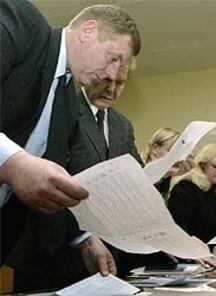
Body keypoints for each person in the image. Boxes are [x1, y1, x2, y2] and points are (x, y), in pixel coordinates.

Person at [0, 0, 140, 264]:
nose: (111, 74)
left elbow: (57, 183)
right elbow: (19, 166)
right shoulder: (20, 21)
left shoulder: (67, 103)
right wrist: (12, 163)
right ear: (88, 31)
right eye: (113, 58)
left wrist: (85, 239)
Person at [7, 62, 145, 292]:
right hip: (51, 254)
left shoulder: (122, 125)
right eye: (105, 80)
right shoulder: (61, 110)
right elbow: (49, 183)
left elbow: (135, 175)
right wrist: (85, 237)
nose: (111, 90)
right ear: (88, 74)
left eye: (120, 83)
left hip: (106, 255)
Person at [168, 143, 216, 243]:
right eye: (215, 166)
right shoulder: (185, 189)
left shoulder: (215, 189)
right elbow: (180, 228)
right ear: (203, 165)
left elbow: (206, 222)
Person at [143, 127, 193, 197]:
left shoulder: (170, 178)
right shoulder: (137, 170)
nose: (176, 157)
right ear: (155, 149)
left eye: (178, 153)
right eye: (170, 151)